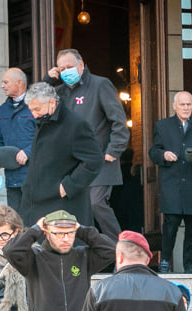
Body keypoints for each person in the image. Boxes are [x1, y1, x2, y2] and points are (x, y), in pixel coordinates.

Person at [45, 49, 130, 238]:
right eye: (62, 68)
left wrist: (113, 150)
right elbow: (37, 107)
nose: (66, 71)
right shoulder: (59, 93)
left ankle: (122, 251)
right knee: (77, 212)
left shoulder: (100, 85)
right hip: (72, 164)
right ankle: (85, 256)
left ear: (81, 65)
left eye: (70, 67)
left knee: (96, 204)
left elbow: (118, 121)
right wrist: (48, 81)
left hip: (100, 160)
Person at [149, 91, 192, 273]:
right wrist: (163, 154)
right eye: (182, 104)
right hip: (171, 183)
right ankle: (164, 261)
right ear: (174, 106)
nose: (186, 108)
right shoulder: (162, 126)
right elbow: (153, 152)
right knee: (170, 224)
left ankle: (190, 264)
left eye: (189, 104)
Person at [19, 82, 104, 229]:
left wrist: (69, 185)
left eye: (37, 109)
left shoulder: (75, 124)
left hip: (61, 204)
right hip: (36, 202)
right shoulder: (44, 121)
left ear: (52, 103)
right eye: (31, 110)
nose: (34, 114)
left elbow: (94, 160)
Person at [0, 68, 35, 213]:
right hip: (12, 176)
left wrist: (28, 152)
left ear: (19, 82)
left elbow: (45, 136)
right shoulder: (3, 110)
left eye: (5, 82)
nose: (2, 86)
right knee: (16, 220)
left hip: (33, 174)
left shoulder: (35, 105)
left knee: (34, 220)